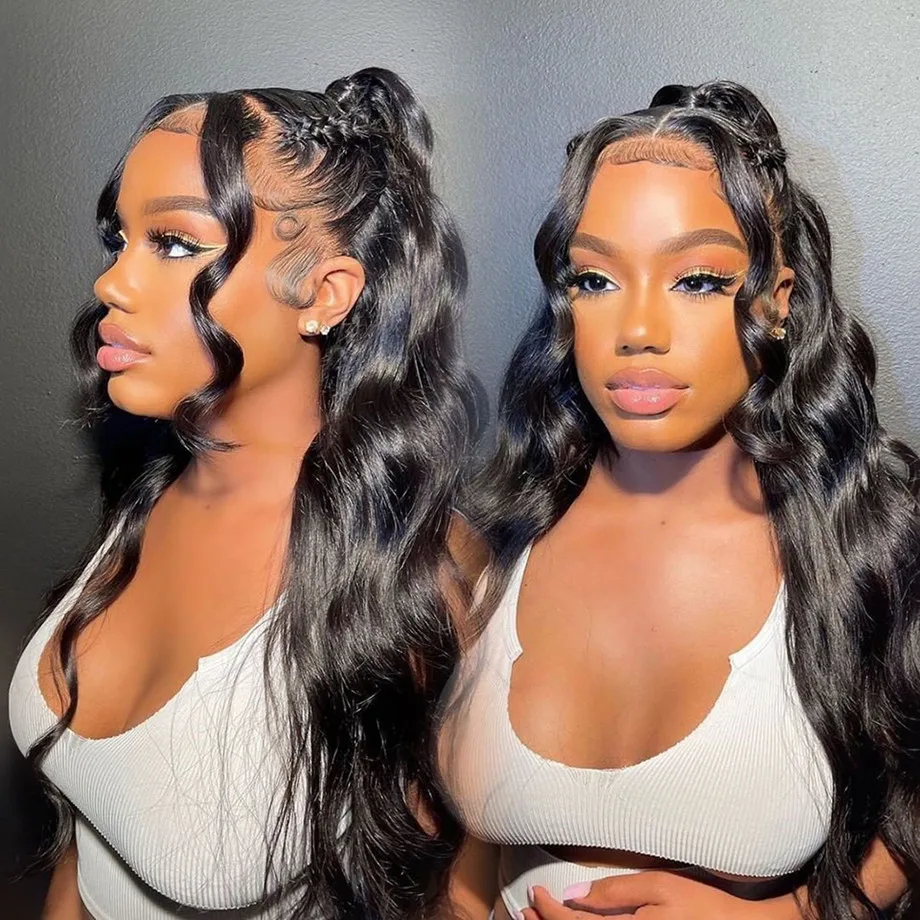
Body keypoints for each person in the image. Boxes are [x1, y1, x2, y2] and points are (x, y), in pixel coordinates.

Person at [438, 82, 920, 920]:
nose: (638, 330)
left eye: (696, 280)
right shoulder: (488, 545)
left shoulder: (869, 544)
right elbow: (450, 854)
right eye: (595, 279)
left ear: (778, 300)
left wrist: (790, 918)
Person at [9, 68, 475, 920]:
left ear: (324, 295)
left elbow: (449, 889)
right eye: (121, 239)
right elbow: (87, 837)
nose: (112, 283)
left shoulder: (410, 576)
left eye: (175, 243)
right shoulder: (150, 495)